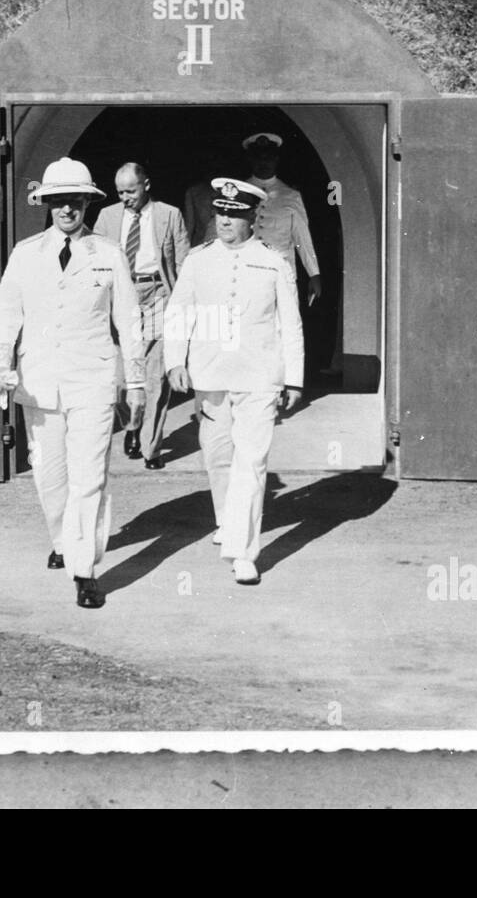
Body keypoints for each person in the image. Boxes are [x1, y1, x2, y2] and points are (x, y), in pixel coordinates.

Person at [0, 157, 145, 609]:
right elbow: (5, 317)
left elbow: (129, 323)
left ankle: (85, 569)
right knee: (49, 475)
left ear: (87, 204)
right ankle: (62, 538)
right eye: (58, 202)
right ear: (47, 205)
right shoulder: (26, 253)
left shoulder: (109, 254)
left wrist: (135, 384)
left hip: (92, 378)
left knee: (89, 477)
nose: (66, 211)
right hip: (39, 381)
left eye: (74, 202)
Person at [164, 178, 304, 585]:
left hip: (260, 375)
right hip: (211, 373)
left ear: (250, 218)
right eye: (220, 212)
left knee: (252, 459)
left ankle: (244, 552)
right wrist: (175, 360)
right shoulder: (198, 259)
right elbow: (179, 312)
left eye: (233, 213)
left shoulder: (274, 260)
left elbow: (289, 324)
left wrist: (292, 378)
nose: (224, 219)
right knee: (217, 454)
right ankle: (227, 520)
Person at [93, 163, 190, 469]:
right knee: (122, 377)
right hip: (122, 297)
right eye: (120, 192)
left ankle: (151, 446)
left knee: (156, 377)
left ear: (146, 185)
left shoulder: (169, 214)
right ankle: (132, 424)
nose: (125, 198)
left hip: (159, 294)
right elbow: (93, 260)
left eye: (131, 191)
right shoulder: (107, 217)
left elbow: (184, 261)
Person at [241, 132, 323, 308]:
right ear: (250, 159)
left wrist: (313, 273)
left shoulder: (290, 196)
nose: (263, 162)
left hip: (280, 276)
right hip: (243, 274)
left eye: (268, 157)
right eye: (258, 158)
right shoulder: (239, 191)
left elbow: (301, 237)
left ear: (276, 159)